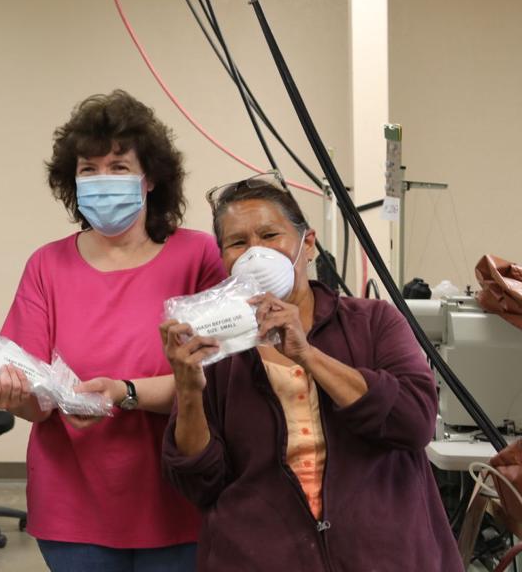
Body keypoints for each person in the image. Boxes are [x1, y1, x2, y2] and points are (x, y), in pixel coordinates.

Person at [0, 91, 226, 571]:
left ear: (149, 179)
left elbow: (224, 380)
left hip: (177, 496)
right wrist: (11, 395)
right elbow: (33, 394)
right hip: (74, 505)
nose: (102, 181)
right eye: (89, 169)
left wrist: (127, 393)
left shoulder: (198, 257)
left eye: (118, 166)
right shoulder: (48, 265)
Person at [161, 174, 462, 571]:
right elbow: (201, 484)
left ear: (307, 243)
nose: (256, 253)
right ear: (224, 258)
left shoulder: (372, 322)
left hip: (383, 554)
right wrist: (187, 389)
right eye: (238, 243)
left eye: (270, 235)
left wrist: (309, 355)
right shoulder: (217, 349)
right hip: (261, 556)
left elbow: (414, 421)